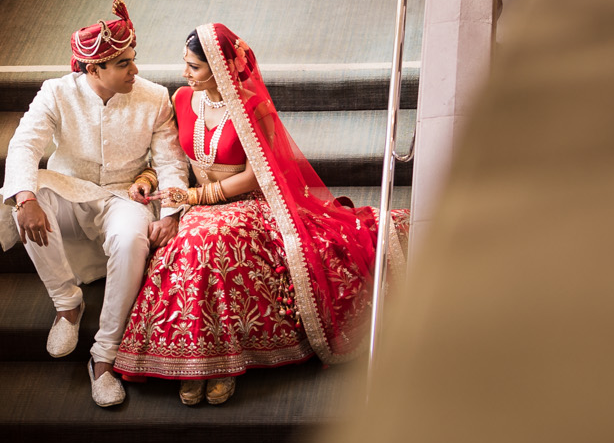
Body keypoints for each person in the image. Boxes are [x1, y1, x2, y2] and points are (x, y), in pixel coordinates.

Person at [113, 22, 406, 405]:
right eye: (185, 64)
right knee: (188, 246)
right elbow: (170, 156)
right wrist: (150, 179)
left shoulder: (252, 106)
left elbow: (258, 174)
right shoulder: (182, 99)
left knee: (210, 243)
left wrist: (199, 195)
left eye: (194, 66)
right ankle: (197, 364)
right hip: (196, 204)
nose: (185, 72)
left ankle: (223, 366)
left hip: (250, 204)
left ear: (218, 68)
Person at [0, 0, 188, 408]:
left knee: (133, 239)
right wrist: (26, 196)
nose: (136, 71)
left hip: (123, 195)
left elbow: (170, 160)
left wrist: (170, 214)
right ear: (93, 69)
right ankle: (68, 304)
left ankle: (104, 356)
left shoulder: (154, 97)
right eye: (124, 65)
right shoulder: (57, 92)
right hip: (70, 189)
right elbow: (24, 145)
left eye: (134, 60)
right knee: (23, 200)